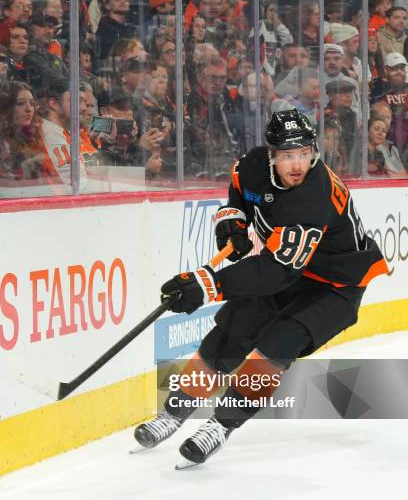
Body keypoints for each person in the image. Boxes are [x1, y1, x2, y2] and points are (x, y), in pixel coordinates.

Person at [133, 109, 388, 467]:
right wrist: (233, 221)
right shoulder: (252, 165)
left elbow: (274, 273)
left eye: (303, 153)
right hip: (289, 271)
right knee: (230, 331)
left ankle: (220, 426)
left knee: (276, 344)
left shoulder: (314, 197)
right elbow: (239, 189)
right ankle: (174, 413)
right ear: (271, 155)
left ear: (314, 152)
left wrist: (207, 286)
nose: (297, 164)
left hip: (334, 286)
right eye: (286, 155)